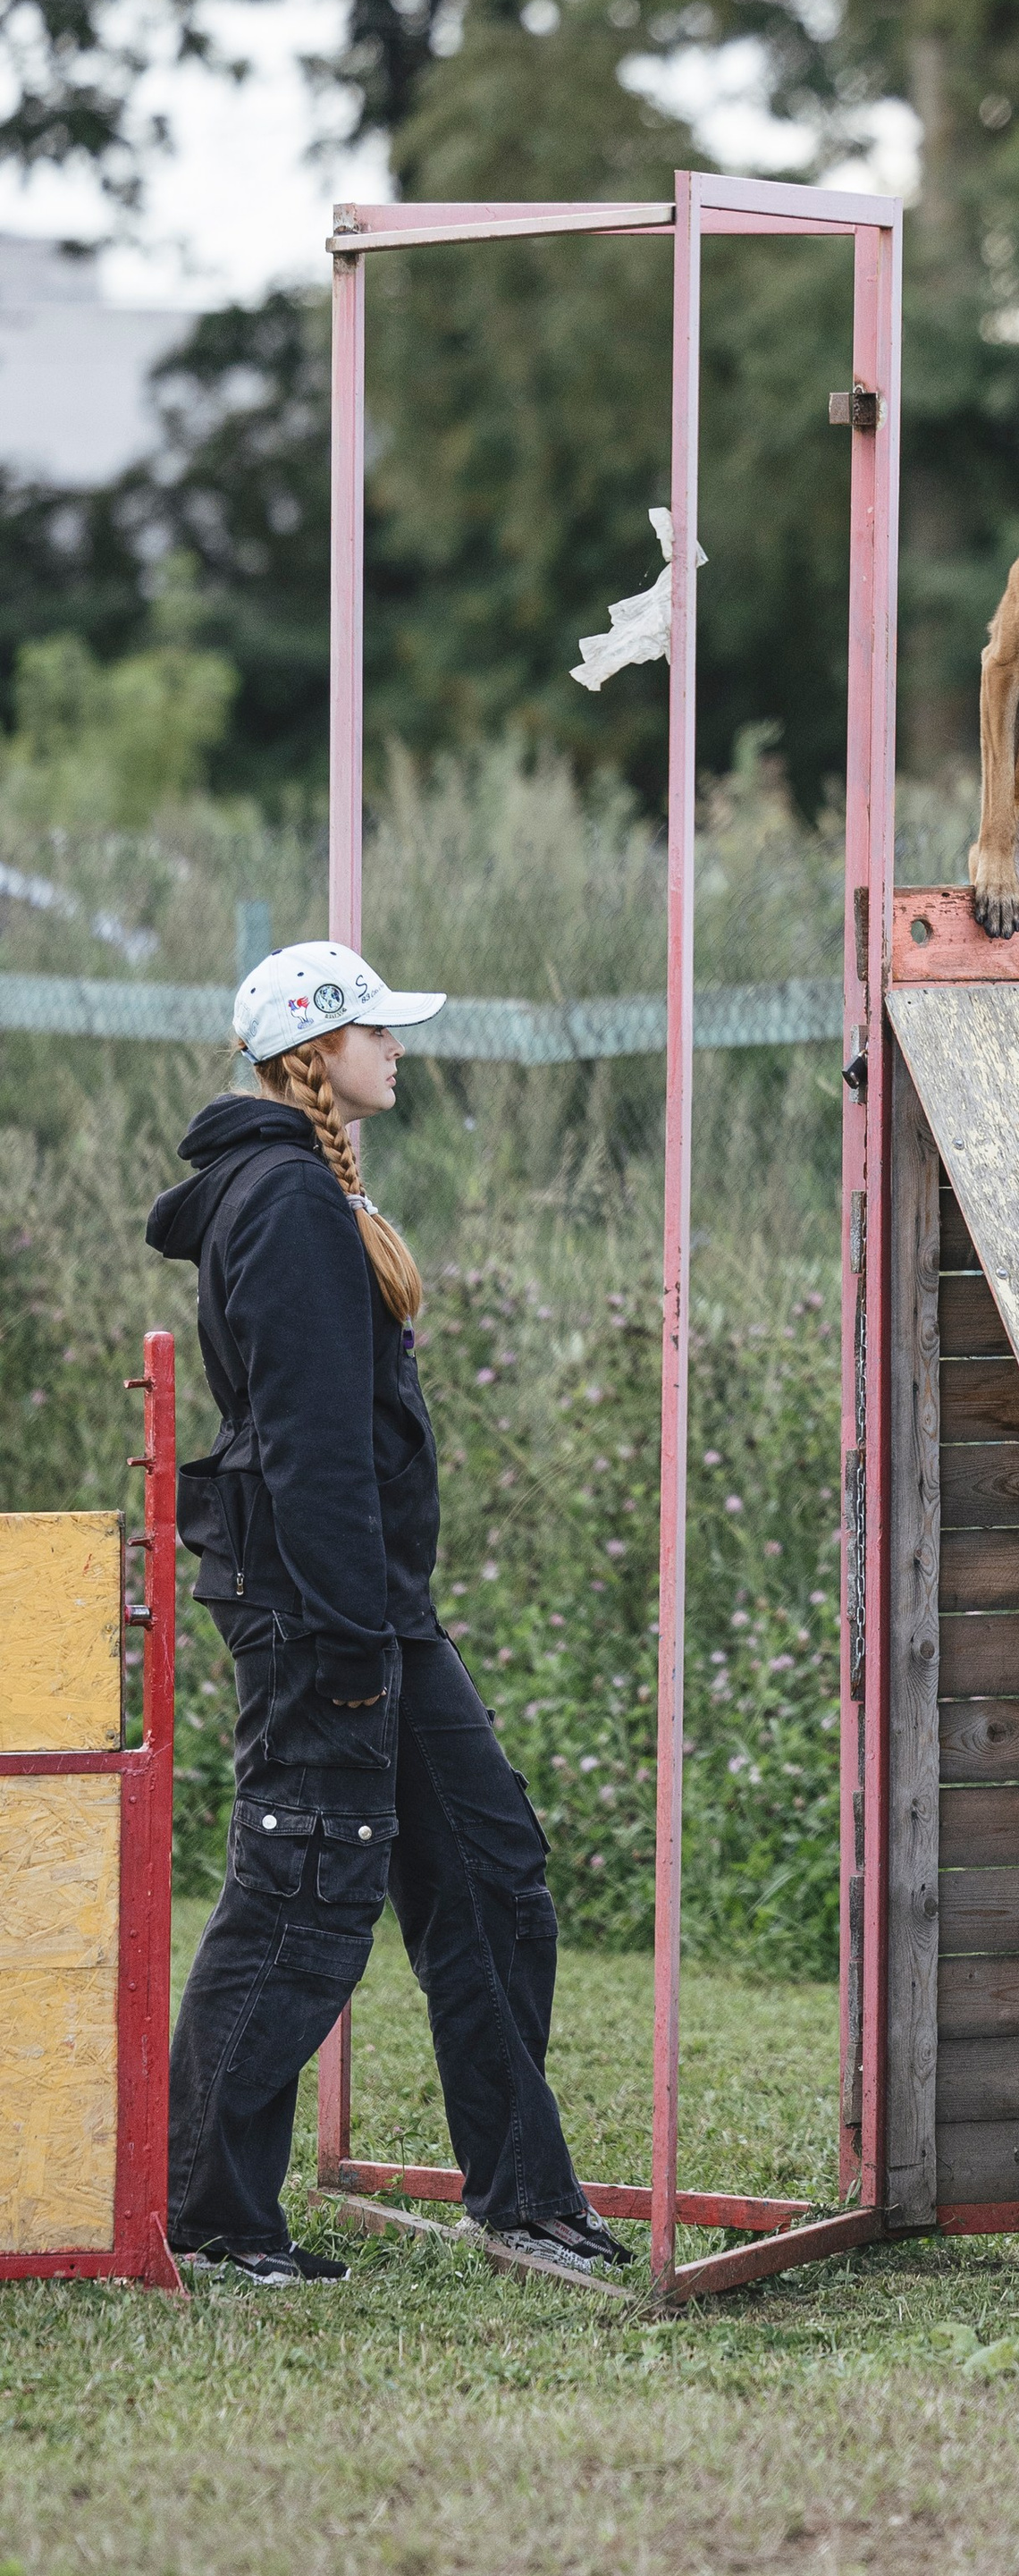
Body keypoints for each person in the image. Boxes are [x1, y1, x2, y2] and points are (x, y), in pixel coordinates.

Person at [150, 940, 627, 2289]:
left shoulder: (303, 1191)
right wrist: (358, 1638)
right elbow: (309, 1448)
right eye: (378, 1030)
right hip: (327, 1616)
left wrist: (382, 1619)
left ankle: (524, 2194)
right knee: (302, 1901)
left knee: (495, 1875)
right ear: (318, 1049)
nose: (400, 1048)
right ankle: (215, 2220)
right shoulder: (288, 1203)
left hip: (370, 1610)